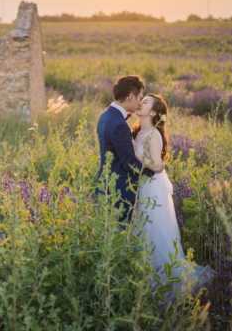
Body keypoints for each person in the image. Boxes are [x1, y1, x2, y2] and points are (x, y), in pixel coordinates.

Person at [132, 93, 215, 302]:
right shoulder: (137, 131)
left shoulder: (154, 135)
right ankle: (142, 278)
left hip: (152, 186)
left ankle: (163, 284)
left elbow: (158, 165)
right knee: (140, 230)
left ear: (152, 112)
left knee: (156, 230)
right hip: (139, 185)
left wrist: (136, 158)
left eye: (145, 102)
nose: (140, 103)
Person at [96, 75, 154, 223]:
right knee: (119, 234)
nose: (140, 103)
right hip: (119, 191)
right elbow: (129, 162)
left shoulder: (105, 116)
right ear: (130, 96)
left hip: (105, 184)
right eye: (139, 97)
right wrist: (152, 172)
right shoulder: (119, 124)